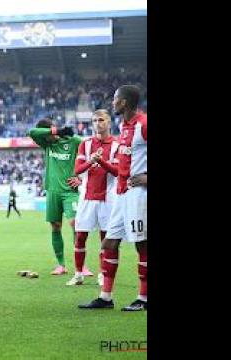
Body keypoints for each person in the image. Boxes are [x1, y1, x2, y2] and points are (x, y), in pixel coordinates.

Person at [79, 85, 147, 311]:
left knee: (142, 245)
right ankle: (106, 297)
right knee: (109, 243)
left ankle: (143, 299)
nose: (113, 102)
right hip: (121, 194)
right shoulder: (124, 126)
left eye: (116, 99)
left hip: (139, 194)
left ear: (124, 102)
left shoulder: (143, 124)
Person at [23, 118, 83, 275]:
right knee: (56, 227)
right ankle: (61, 265)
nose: (45, 138)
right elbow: (31, 133)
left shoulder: (74, 141)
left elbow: (90, 157)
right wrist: (56, 131)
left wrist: (81, 178)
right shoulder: (47, 144)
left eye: (48, 134)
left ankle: (81, 265)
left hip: (70, 192)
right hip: (52, 192)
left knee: (75, 224)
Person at [66, 110, 119, 286]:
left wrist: (101, 161)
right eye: (95, 120)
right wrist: (92, 160)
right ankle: (79, 274)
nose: (98, 123)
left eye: (101, 120)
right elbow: (77, 169)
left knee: (105, 239)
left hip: (108, 199)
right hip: (86, 198)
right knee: (80, 236)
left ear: (109, 122)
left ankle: (103, 275)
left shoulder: (117, 145)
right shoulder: (86, 144)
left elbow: (118, 171)